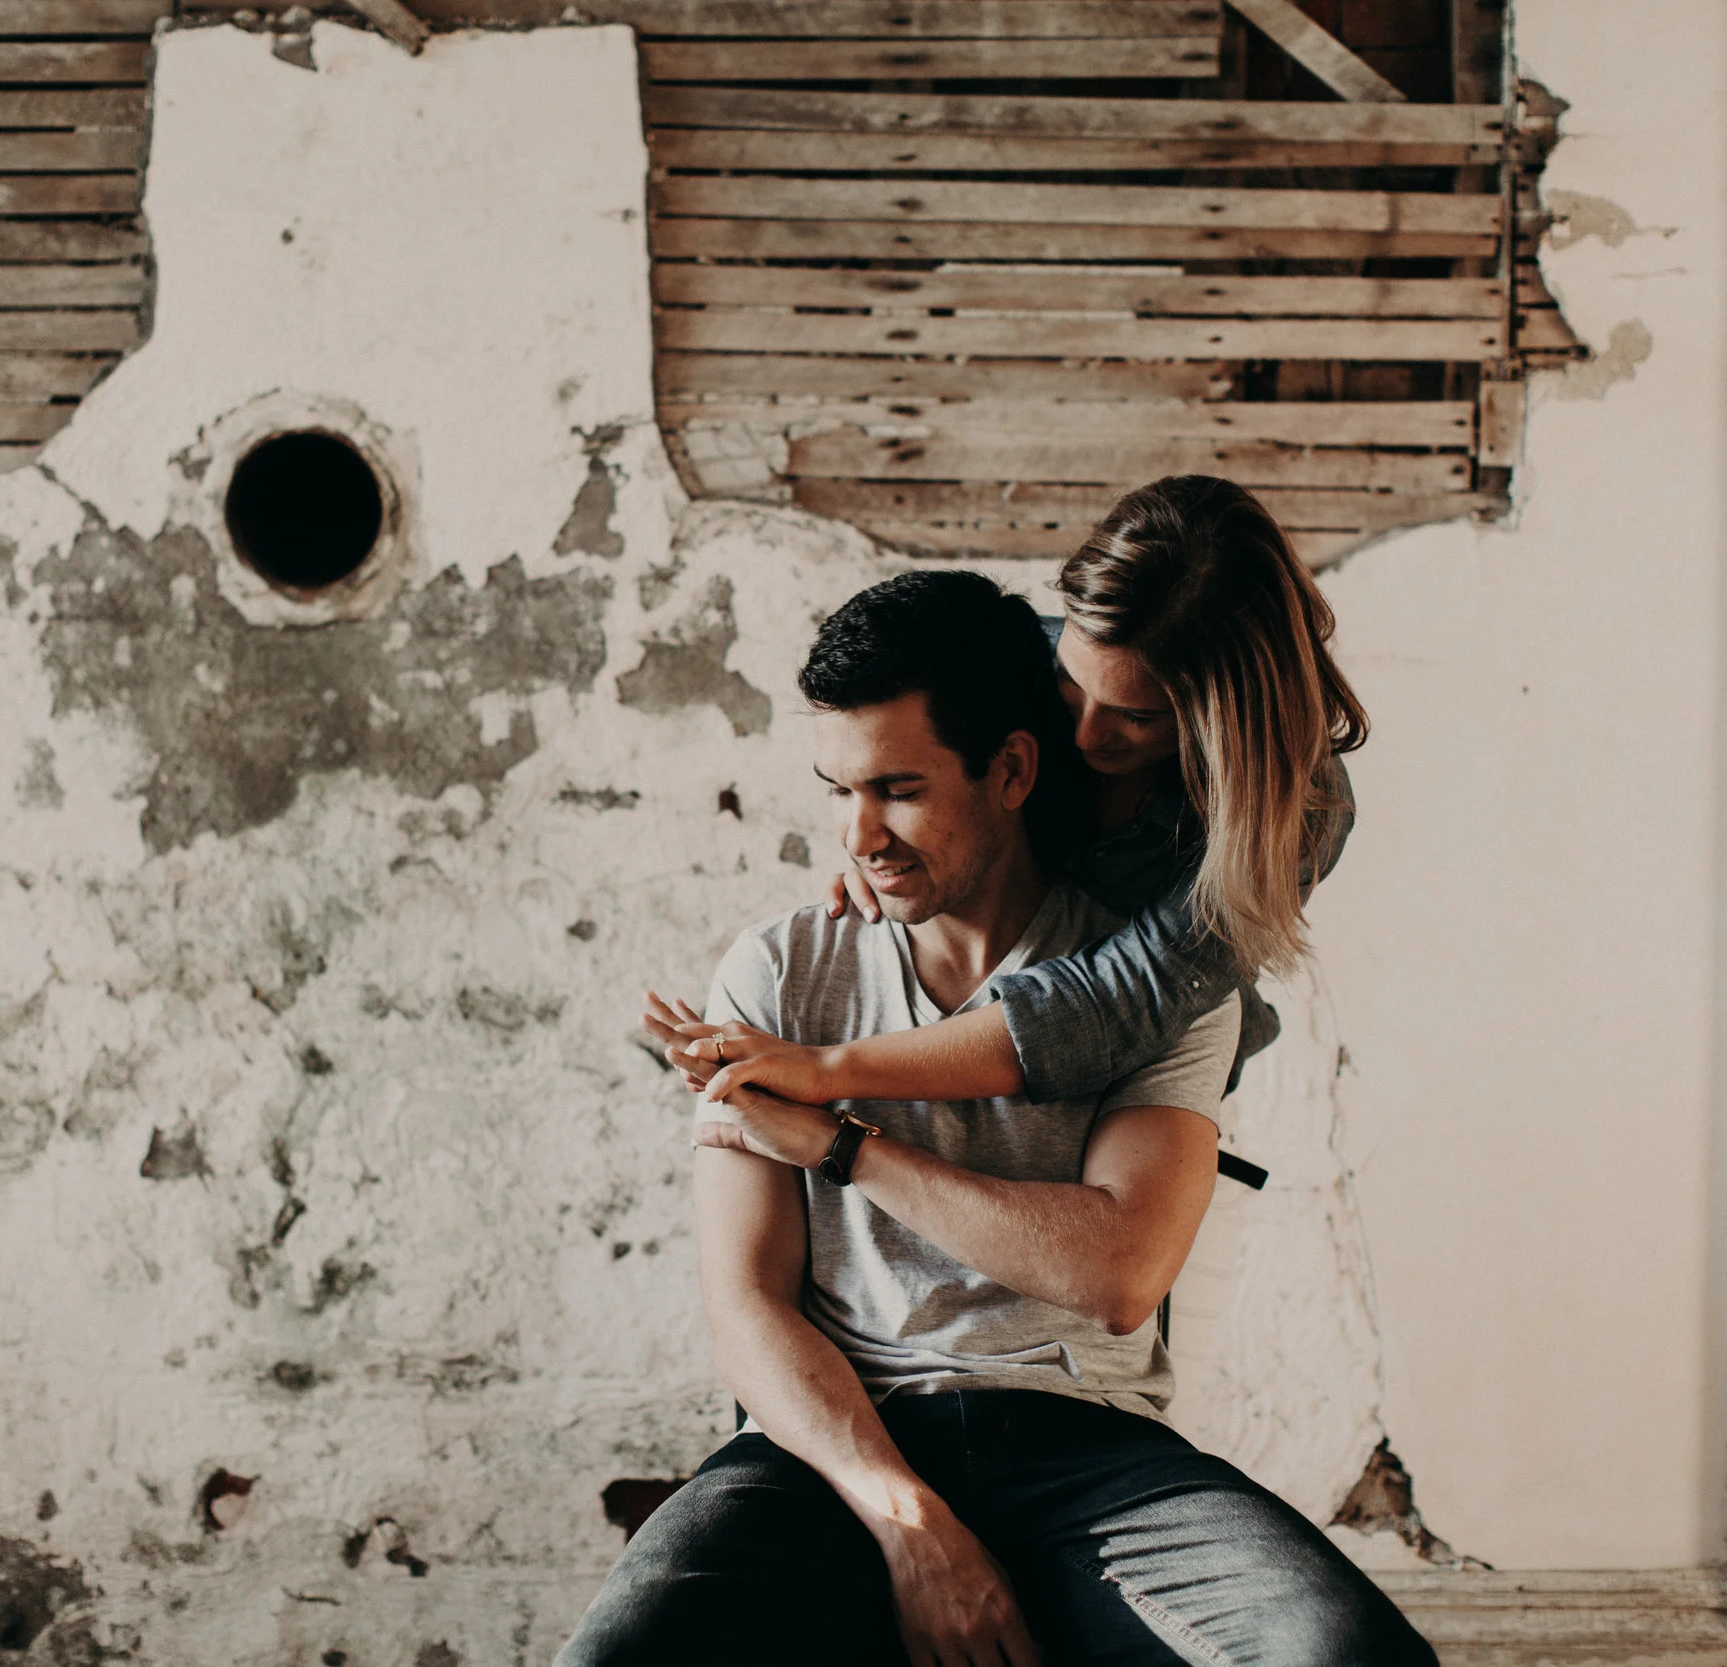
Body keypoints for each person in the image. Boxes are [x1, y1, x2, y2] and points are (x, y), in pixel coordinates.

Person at [556, 558, 1430, 1666]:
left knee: (1341, 1653)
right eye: (838, 790)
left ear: (1013, 769)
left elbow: (1115, 1272)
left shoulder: (1157, 987)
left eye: (899, 788)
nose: (858, 835)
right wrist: (903, 1516)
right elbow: (746, 1304)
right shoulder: (776, 969)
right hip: (828, 1449)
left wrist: (840, 1140)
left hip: (1089, 1455)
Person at [681, 474, 1366, 1126]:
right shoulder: (1017, 661)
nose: (1085, 731)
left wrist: (830, 1072)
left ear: (1231, 722)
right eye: (1072, 679)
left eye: (1139, 715)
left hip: (1139, 1097)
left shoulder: (1299, 810)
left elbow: (1116, 1007)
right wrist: (892, 854)